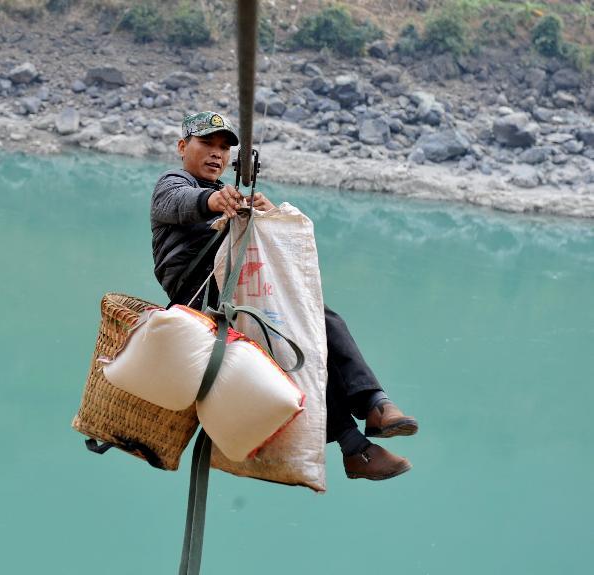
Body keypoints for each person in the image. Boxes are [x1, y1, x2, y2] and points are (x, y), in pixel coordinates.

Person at [151, 111, 419, 481]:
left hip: (234, 290)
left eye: (224, 147)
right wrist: (215, 204)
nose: (217, 154)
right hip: (201, 297)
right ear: (183, 147)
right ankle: (363, 425)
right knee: (309, 324)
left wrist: (261, 214)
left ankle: (366, 422)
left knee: (316, 324)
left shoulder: (222, 193)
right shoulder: (174, 182)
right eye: (206, 144)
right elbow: (179, 202)